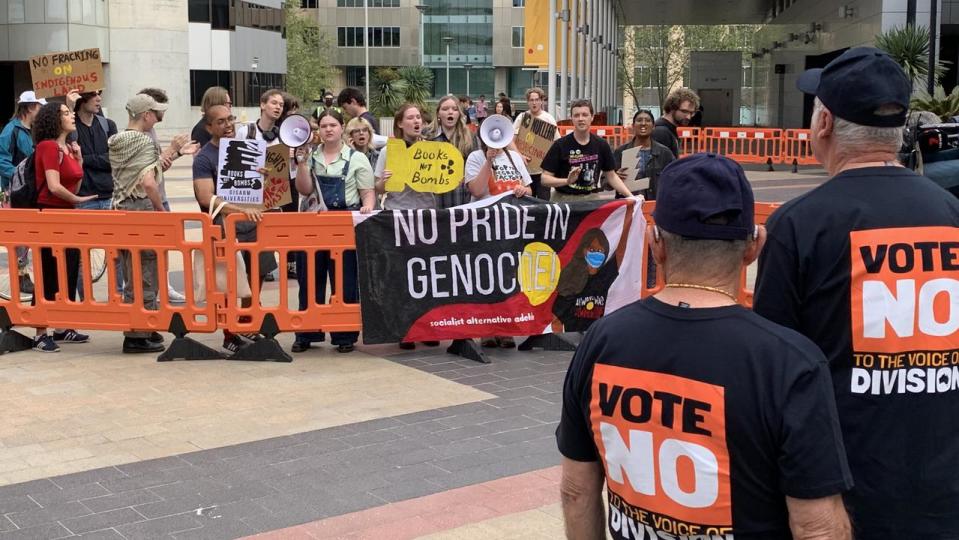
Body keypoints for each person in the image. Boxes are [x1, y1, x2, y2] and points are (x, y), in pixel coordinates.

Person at [558, 153, 854, 540]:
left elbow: (577, 490)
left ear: (655, 243)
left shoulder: (601, 341)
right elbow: (816, 527)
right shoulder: (789, 363)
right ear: (755, 245)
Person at [753, 47, 959, 538]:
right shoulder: (951, 212)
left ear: (823, 123)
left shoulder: (798, 226)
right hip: (944, 485)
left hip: (841, 492)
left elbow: (775, 370)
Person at [291, 109, 374, 354]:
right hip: (313, 226)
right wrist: (302, 164)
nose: (328, 129)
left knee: (345, 280)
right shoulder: (310, 156)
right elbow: (304, 191)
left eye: (333, 125)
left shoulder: (357, 158)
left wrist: (368, 205)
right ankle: (307, 332)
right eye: (324, 125)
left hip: (344, 225)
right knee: (309, 279)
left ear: (341, 128)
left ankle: (344, 334)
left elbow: (367, 191)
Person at [190, 105, 265, 353]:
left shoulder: (248, 149)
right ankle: (229, 333)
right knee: (229, 280)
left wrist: (264, 176)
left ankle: (247, 323)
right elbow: (205, 197)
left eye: (230, 119)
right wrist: (239, 211)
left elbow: (266, 187)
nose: (228, 124)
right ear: (209, 127)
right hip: (225, 227)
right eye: (221, 121)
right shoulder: (204, 157)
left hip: (253, 224)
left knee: (256, 275)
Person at [29, 102, 98, 352]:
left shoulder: (67, 149)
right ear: (54, 120)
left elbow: (73, 186)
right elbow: (54, 186)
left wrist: (78, 160)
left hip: (66, 216)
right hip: (50, 215)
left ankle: (61, 326)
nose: (71, 116)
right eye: (66, 113)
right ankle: (40, 331)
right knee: (49, 270)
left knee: (68, 268)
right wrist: (79, 201)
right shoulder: (48, 146)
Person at [373, 103, 440, 350]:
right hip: (398, 215)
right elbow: (377, 188)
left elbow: (443, 182)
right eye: (410, 118)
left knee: (426, 274)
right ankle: (405, 331)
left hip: (425, 216)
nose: (416, 121)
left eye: (418, 118)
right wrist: (384, 182)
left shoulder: (432, 150)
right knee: (402, 275)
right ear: (400, 123)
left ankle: (428, 328)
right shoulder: (389, 152)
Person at [108, 94, 169, 354]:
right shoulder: (144, 142)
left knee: (130, 271)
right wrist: (159, 209)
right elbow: (147, 181)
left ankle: (141, 325)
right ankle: (139, 331)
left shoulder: (117, 140)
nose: (157, 117)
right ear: (145, 115)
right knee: (146, 269)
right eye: (155, 113)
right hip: (141, 208)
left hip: (120, 209)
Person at [464, 136, 532, 349]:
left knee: (509, 278)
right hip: (484, 226)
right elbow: (475, 190)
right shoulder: (475, 157)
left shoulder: (514, 157)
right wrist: (488, 161)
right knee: (486, 277)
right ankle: (487, 330)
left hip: (511, 226)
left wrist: (523, 190)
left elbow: (529, 189)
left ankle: (506, 329)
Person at [137, 87, 198, 304]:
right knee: (149, 251)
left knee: (164, 247)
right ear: (148, 110)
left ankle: (163, 285)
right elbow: (148, 172)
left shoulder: (151, 131)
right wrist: (172, 149)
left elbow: (158, 168)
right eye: (160, 108)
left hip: (159, 195)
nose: (163, 113)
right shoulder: (140, 135)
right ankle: (153, 292)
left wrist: (178, 152)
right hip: (149, 199)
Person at [0, 91, 47, 296]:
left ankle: (22, 275)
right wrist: (21, 177)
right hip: (14, 191)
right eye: (39, 106)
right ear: (29, 107)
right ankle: (20, 276)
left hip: (26, 190)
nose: (42, 110)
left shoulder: (31, 130)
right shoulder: (11, 131)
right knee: (19, 237)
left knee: (25, 237)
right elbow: (2, 160)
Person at [541, 100, 632, 202]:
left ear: (592, 117)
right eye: (576, 115)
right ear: (571, 118)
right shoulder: (560, 145)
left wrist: (631, 196)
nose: (581, 119)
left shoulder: (601, 144)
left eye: (585, 115)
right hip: (563, 200)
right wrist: (567, 181)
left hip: (591, 200)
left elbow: (611, 176)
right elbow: (545, 179)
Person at [612, 109, 675, 200]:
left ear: (653, 126)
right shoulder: (621, 152)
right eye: (639, 120)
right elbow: (605, 181)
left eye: (648, 120)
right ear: (633, 126)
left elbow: (675, 178)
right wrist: (615, 178)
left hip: (655, 207)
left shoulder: (665, 153)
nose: (643, 123)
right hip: (628, 207)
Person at [426, 96, 477, 209]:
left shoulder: (469, 136)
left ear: (459, 113)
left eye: (454, 109)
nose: (450, 112)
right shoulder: (427, 136)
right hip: (434, 199)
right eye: (445, 109)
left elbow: (476, 166)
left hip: (461, 198)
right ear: (438, 114)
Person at [512, 87, 559, 199]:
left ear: (541, 101)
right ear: (528, 102)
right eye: (531, 100)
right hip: (524, 171)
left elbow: (556, 143)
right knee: (525, 202)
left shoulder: (548, 118)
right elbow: (510, 141)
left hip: (543, 171)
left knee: (543, 203)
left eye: (537, 99)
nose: (534, 103)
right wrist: (519, 155)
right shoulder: (522, 117)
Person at [652, 87, 699, 158]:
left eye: (691, 113)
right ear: (672, 108)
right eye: (684, 111)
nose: (688, 117)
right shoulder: (661, 132)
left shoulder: (668, 129)